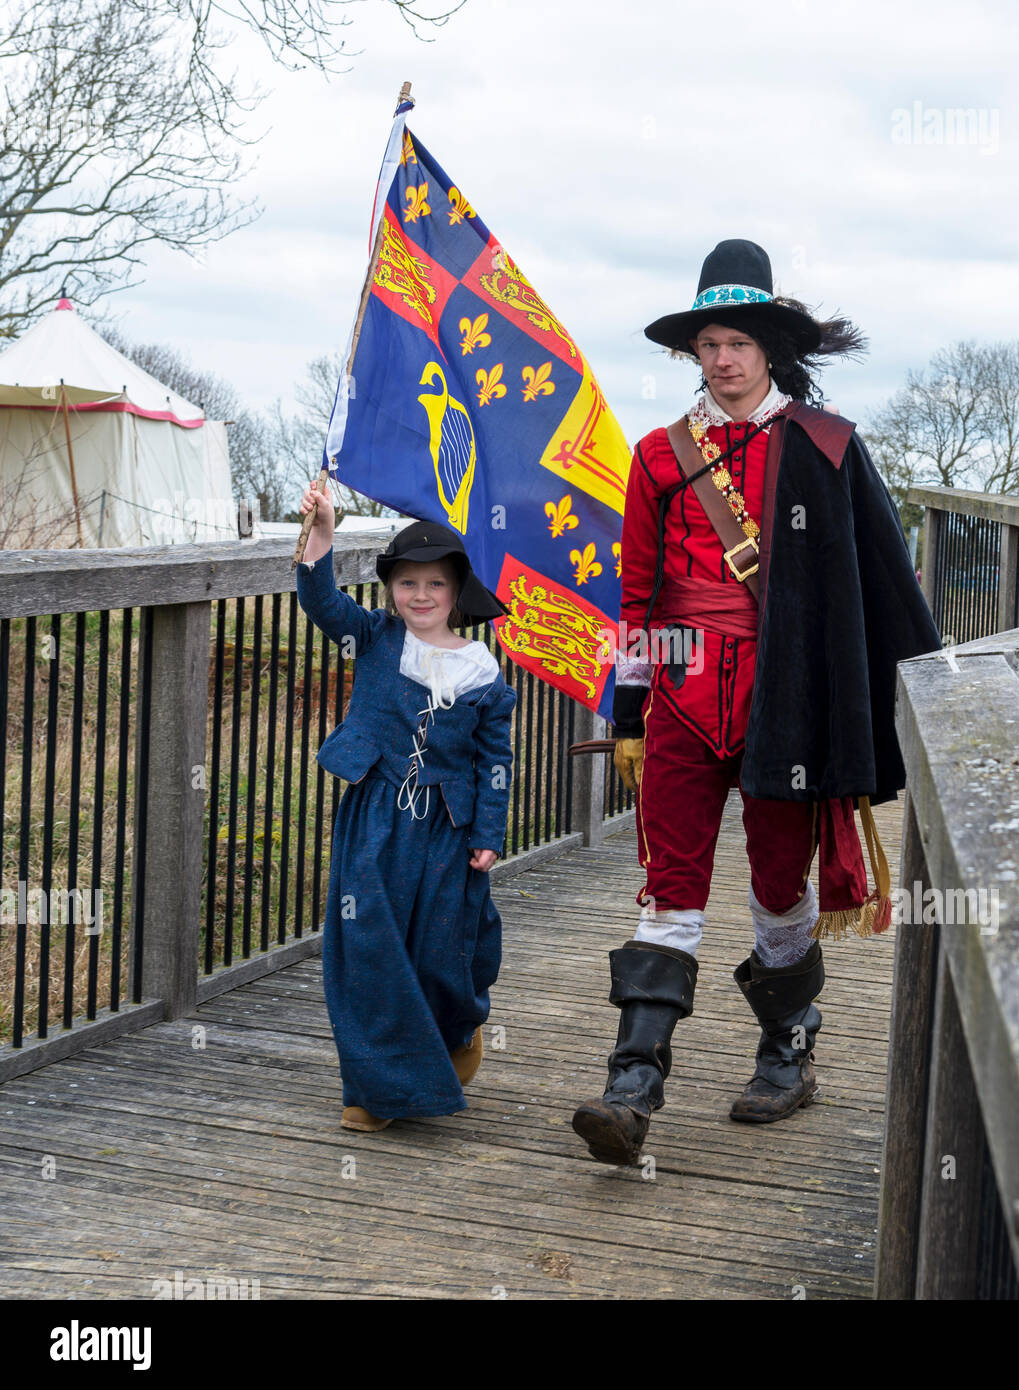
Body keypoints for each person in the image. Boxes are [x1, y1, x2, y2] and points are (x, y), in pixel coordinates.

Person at [570, 239, 942, 1166]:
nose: (724, 359)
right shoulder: (659, 456)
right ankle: (634, 1084)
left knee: (780, 886)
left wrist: (893, 696)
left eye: (739, 341)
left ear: (770, 347)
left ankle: (788, 1049)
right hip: (685, 702)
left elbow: (876, 581)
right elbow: (638, 589)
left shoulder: (824, 447)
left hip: (786, 697)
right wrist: (628, 705)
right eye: (709, 344)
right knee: (669, 886)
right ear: (692, 354)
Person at [296, 480, 517, 1132]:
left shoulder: (483, 672)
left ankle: (454, 1031)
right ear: (391, 590)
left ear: (457, 594)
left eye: (435, 585)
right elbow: (321, 601)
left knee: (441, 954)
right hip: (374, 820)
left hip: (447, 830)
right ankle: (371, 1090)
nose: (420, 597)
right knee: (366, 948)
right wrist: (321, 535)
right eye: (407, 583)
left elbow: (494, 763)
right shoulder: (372, 636)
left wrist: (488, 832)